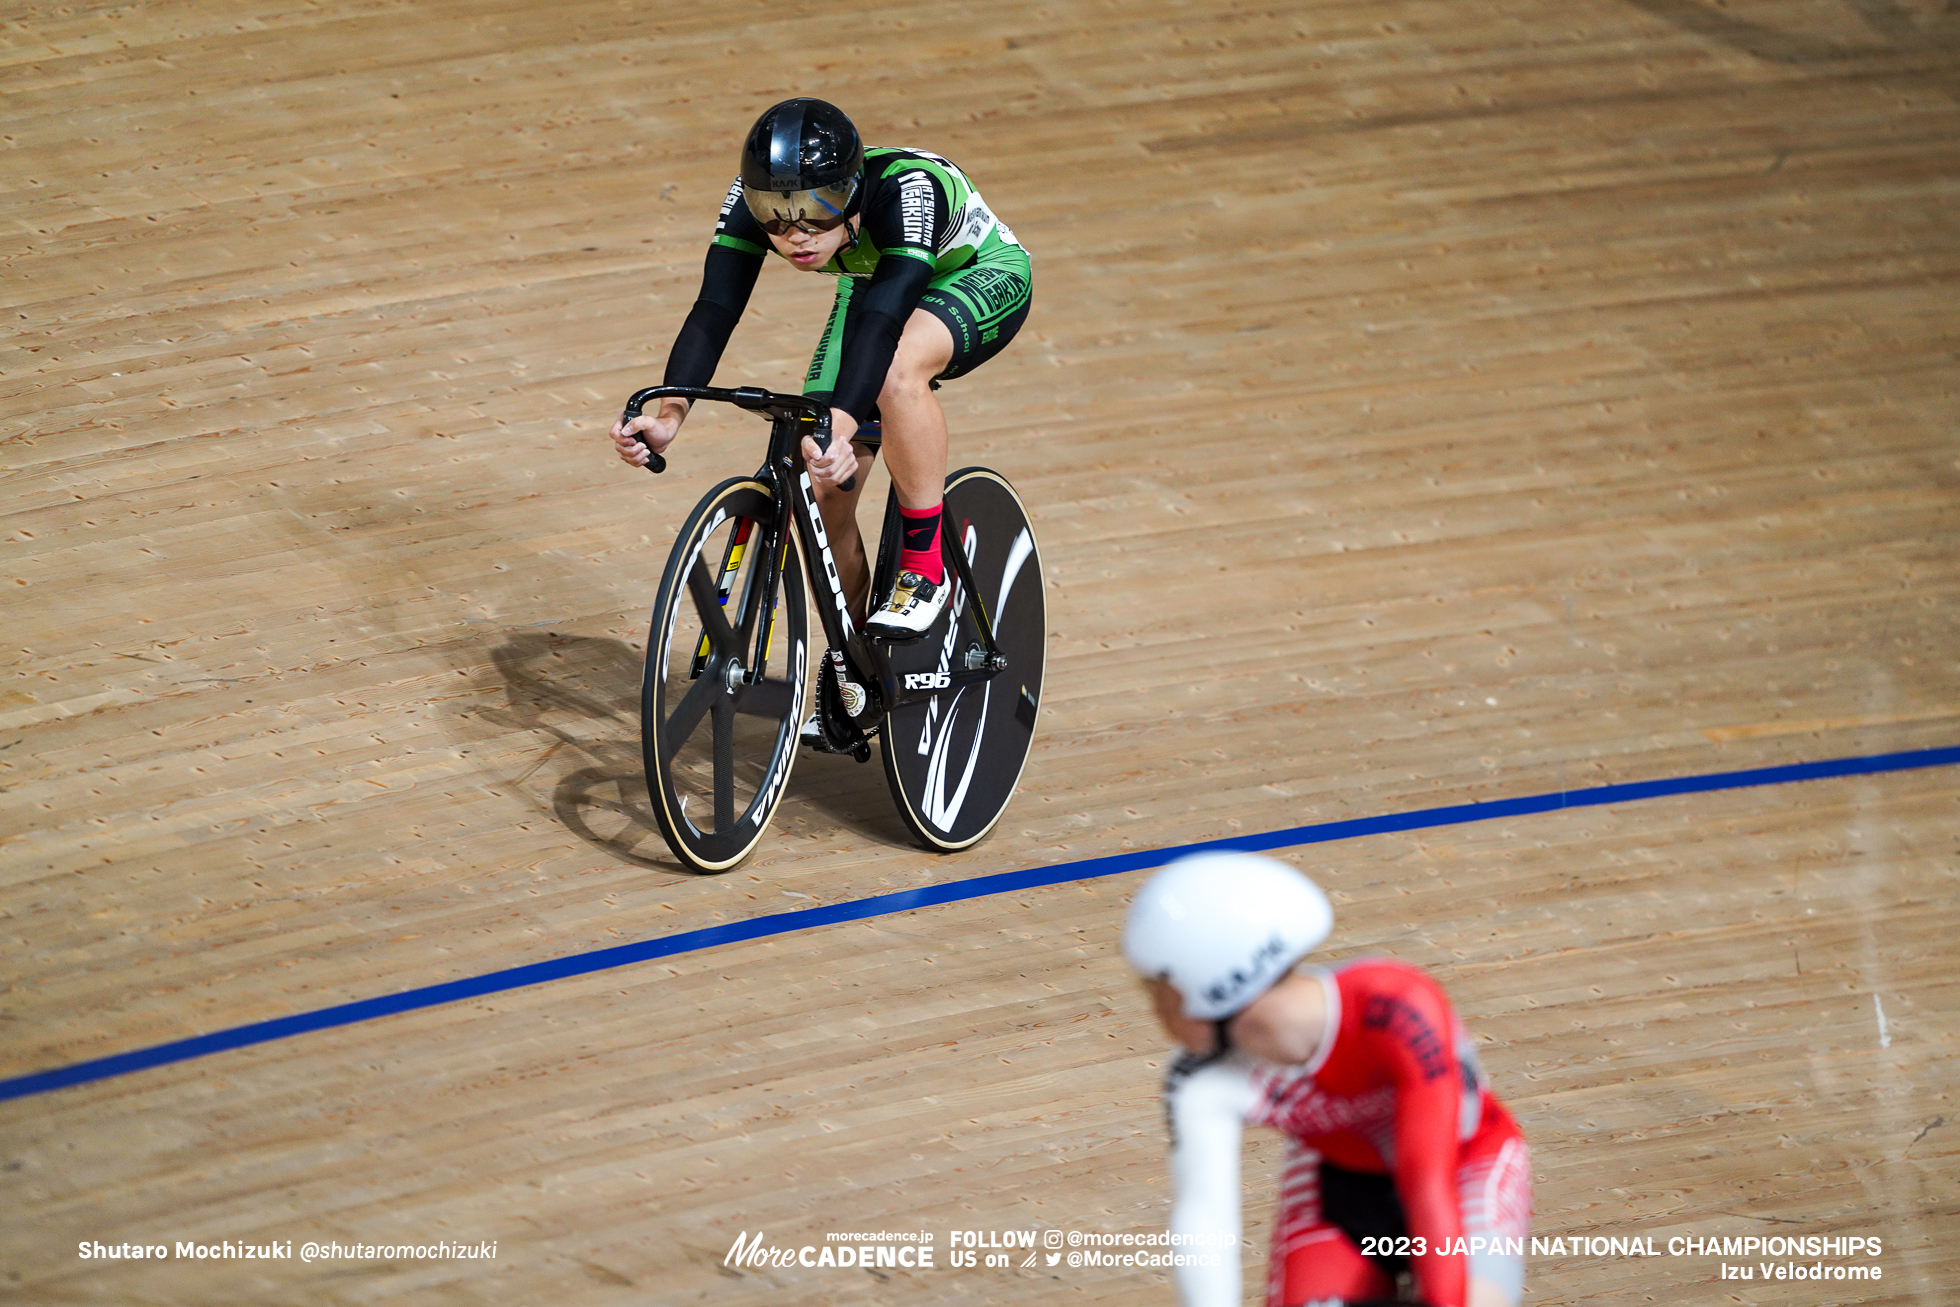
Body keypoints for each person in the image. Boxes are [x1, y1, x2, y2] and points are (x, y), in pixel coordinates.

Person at [610, 98, 1032, 657]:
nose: (798, 236)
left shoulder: (907, 191)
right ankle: (858, 664)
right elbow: (714, 309)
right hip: (870, 283)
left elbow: (885, 322)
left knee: (896, 371)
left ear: (853, 192)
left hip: (977, 273)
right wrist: (669, 416)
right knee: (826, 489)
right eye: (778, 221)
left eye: (819, 211)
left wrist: (841, 421)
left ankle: (926, 567)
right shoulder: (753, 204)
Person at [1123, 852, 1531, 1307]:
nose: (1153, 1009)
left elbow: (1427, 1182)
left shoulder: (1394, 1008)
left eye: (1156, 988)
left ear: (1211, 979)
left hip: (1465, 1167)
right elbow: (1205, 1225)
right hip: (1337, 1185)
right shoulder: (1200, 1081)